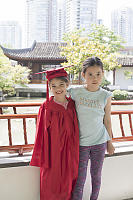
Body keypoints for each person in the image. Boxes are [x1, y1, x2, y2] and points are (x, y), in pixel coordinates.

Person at [68, 57, 115, 200]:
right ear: (83, 75)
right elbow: (58, 95)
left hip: (99, 142)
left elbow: (107, 119)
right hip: (81, 143)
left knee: (96, 176)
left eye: (98, 74)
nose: (94, 78)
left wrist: (110, 142)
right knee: (80, 178)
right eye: (90, 74)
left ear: (103, 74)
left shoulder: (106, 95)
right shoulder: (75, 92)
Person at [30, 67, 79, 200]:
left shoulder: (72, 105)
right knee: (51, 179)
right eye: (53, 85)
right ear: (49, 87)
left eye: (61, 84)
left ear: (67, 84)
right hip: (53, 149)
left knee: (69, 177)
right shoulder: (46, 106)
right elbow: (41, 132)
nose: (58, 88)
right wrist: (43, 154)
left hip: (70, 148)